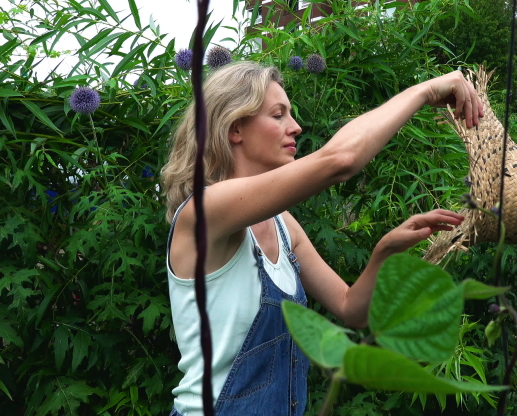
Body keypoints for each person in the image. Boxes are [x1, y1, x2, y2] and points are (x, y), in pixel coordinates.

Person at [160, 61, 482, 416]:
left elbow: (350, 308)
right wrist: (424, 91)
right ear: (236, 128)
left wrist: (385, 251)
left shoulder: (282, 224)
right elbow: (340, 159)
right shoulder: (204, 213)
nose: (295, 127)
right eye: (278, 115)